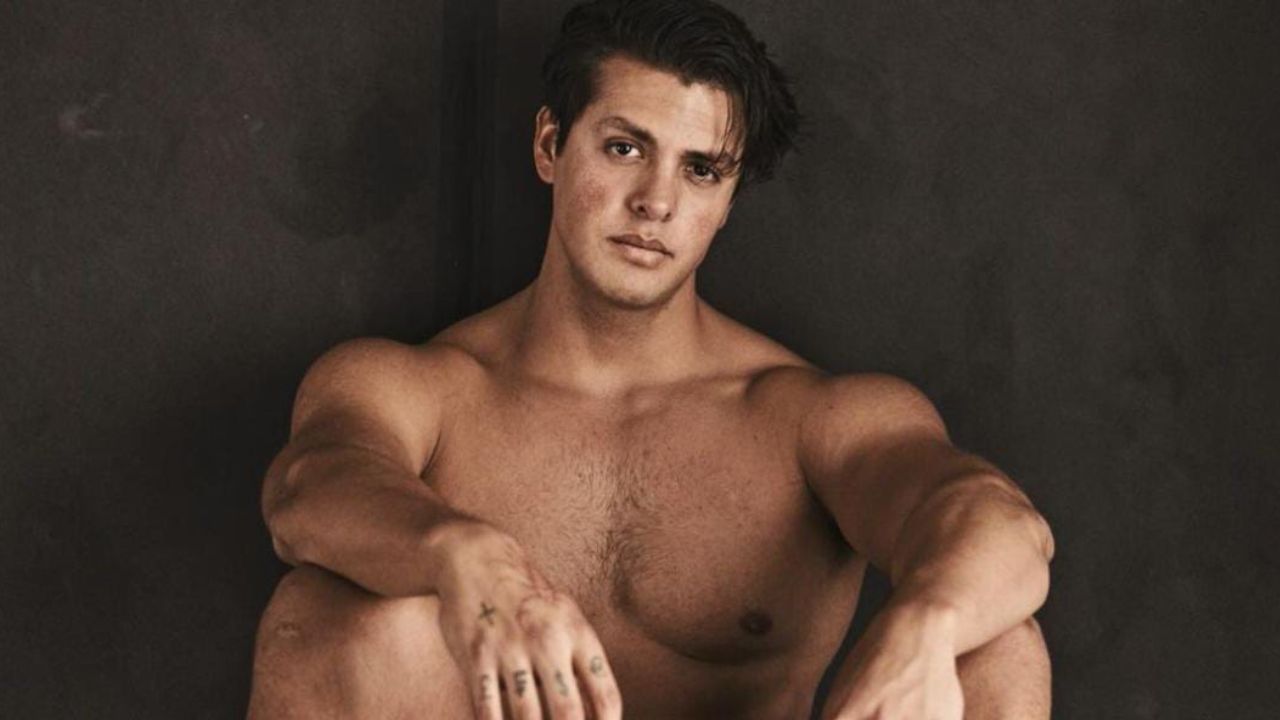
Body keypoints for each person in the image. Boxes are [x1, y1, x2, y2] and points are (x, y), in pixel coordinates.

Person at [247, 0, 1055, 718]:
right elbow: (310, 488)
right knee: (317, 615)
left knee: (994, 640)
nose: (657, 202)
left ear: (727, 200)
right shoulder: (422, 389)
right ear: (551, 145)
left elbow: (1001, 523)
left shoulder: (805, 417)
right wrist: (461, 553)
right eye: (626, 148)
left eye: (700, 169)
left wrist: (925, 622)